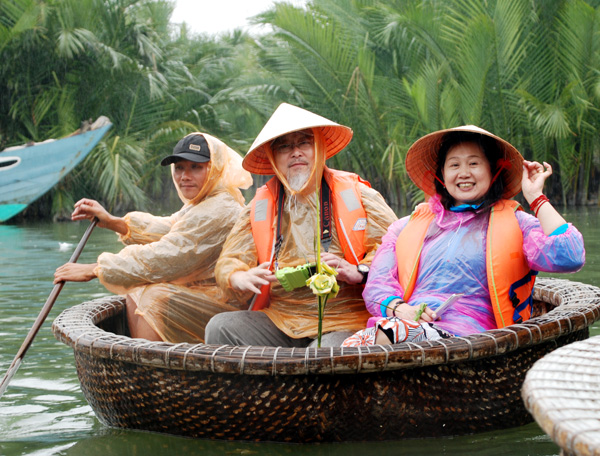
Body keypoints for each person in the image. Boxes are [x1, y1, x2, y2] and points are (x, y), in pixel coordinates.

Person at [342, 125, 585, 347]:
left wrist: (536, 197)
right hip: (407, 322)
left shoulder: (517, 223)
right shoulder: (405, 227)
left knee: (392, 332)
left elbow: (570, 256)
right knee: (353, 344)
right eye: (454, 165)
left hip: (475, 334)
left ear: (493, 170)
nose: (464, 173)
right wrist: (401, 309)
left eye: (474, 163)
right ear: (442, 174)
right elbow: (376, 286)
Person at [204, 103, 398, 347]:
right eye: (284, 147)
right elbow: (229, 260)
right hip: (282, 319)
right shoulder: (260, 206)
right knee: (220, 327)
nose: (295, 152)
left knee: (322, 352)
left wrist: (358, 271)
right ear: (274, 158)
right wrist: (237, 276)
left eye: (304, 143)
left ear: (319, 149)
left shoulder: (357, 195)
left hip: (345, 319)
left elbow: (394, 249)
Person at [54, 132, 253, 343]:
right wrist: (114, 222)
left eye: (195, 167)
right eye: (179, 168)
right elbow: (169, 228)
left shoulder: (219, 208)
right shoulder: (206, 201)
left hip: (227, 307)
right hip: (206, 295)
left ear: (214, 169)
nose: (185, 176)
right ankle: (140, 353)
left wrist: (96, 269)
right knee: (138, 287)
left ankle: (146, 360)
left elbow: (167, 256)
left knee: (154, 297)